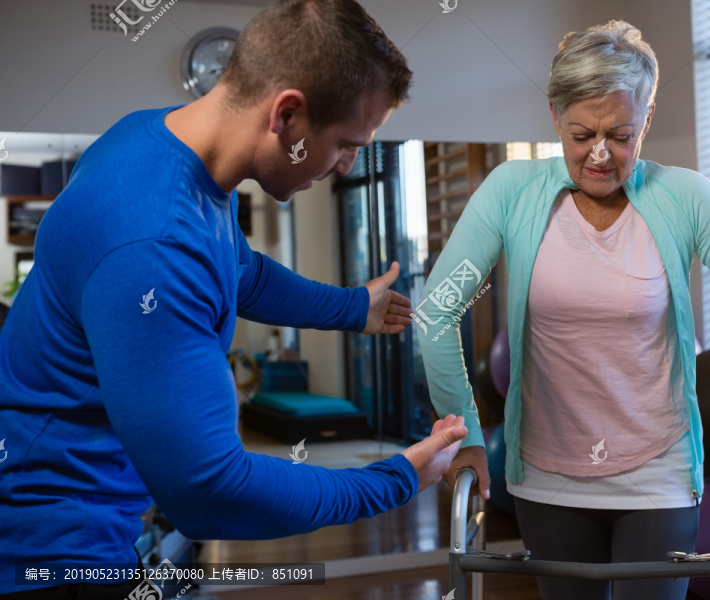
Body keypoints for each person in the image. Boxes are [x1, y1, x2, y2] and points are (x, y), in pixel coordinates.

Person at [0, 0, 468, 597]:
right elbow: (211, 492)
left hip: (91, 524)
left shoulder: (153, 138)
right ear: (288, 115)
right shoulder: (154, 245)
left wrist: (352, 307)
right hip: (50, 555)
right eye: (346, 144)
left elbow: (240, 270)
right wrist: (397, 478)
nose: (348, 165)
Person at [419, 21, 710, 600]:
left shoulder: (685, 197)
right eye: (581, 134)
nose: (599, 154)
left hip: (659, 473)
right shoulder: (511, 191)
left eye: (620, 134)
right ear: (554, 115)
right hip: (546, 474)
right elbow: (438, 310)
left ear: (646, 119)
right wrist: (463, 430)